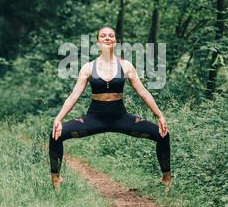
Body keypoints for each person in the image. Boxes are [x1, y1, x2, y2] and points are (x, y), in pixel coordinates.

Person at [49, 26, 172, 191]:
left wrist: (160, 116)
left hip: (121, 118)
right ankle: (56, 179)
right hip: (94, 119)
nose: (107, 38)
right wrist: (58, 119)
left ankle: (166, 178)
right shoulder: (88, 67)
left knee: (162, 134)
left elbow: (143, 92)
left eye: (111, 36)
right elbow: (74, 95)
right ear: (98, 42)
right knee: (56, 133)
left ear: (116, 41)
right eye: (103, 36)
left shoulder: (126, 65)